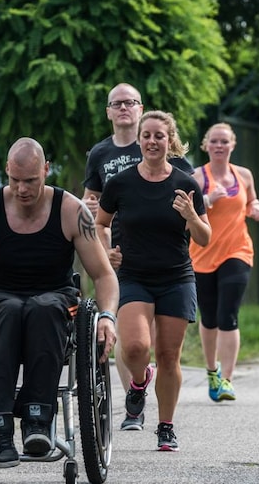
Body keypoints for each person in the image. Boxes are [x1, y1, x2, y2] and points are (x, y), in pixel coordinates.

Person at [0, 137, 118, 469]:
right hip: (1, 300)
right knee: (11, 310)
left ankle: (38, 419)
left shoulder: (71, 210)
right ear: (7, 170)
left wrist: (107, 316)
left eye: (31, 181)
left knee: (42, 309)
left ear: (46, 170)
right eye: (15, 180)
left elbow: (104, 276)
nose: (22, 189)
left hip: (56, 299)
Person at [94, 110, 210, 452]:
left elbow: (205, 238)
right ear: (139, 140)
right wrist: (107, 253)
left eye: (159, 136)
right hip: (133, 276)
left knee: (169, 354)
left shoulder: (185, 184)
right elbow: (100, 224)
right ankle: (140, 382)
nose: (152, 141)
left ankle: (166, 426)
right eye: (147, 135)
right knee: (133, 348)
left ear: (169, 140)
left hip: (176, 277)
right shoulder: (121, 183)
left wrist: (191, 216)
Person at [82, 82, 193, 431]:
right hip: (121, 259)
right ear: (109, 112)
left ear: (141, 108)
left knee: (162, 347)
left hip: (168, 260)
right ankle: (134, 400)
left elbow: (191, 199)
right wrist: (101, 251)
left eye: (130, 102)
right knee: (131, 341)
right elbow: (92, 204)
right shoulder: (100, 154)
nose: (124, 108)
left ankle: (155, 412)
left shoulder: (166, 151)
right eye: (117, 103)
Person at [188, 123, 259, 402]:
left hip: (238, 251)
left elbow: (252, 203)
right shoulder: (196, 177)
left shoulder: (243, 175)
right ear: (206, 146)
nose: (219, 146)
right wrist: (208, 198)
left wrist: (257, 209)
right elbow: (188, 214)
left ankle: (228, 380)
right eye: (214, 142)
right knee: (208, 318)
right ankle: (211, 371)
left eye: (224, 142)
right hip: (203, 254)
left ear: (232, 145)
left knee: (227, 315)